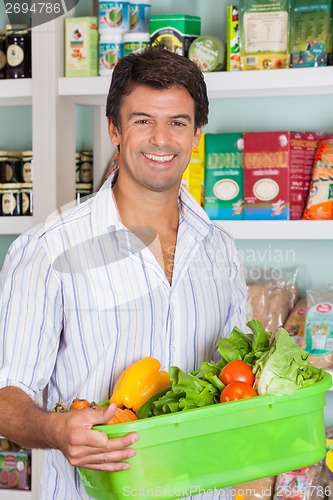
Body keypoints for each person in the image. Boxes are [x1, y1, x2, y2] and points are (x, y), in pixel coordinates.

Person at [0, 47, 247, 499]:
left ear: (196, 135)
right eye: (142, 120)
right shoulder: (45, 250)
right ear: (114, 128)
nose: (161, 139)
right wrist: (56, 431)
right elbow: (5, 395)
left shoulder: (220, 248)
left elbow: (237, 373)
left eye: (177, 122)